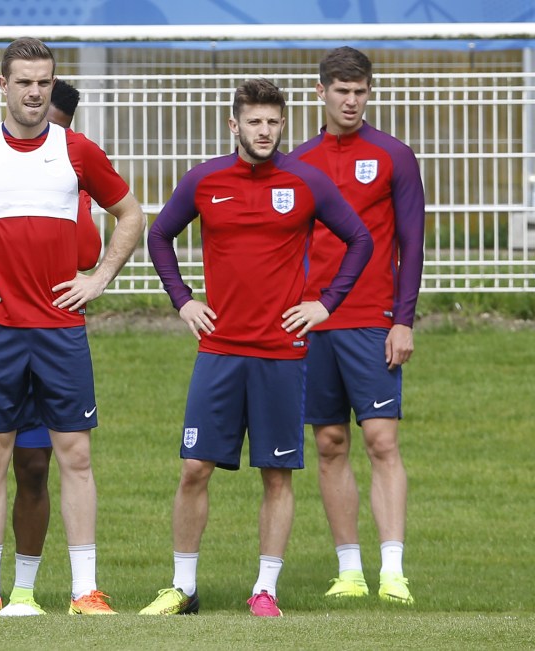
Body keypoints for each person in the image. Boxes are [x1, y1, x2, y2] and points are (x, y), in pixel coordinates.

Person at [0, 37, 145, 616]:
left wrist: (98, 279)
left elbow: (132, 214)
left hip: (61, 331)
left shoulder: (78, 150)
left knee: (75, 457)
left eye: (43, 81)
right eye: (24, 82)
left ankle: (84, 590)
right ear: (3, 86)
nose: (35, 92)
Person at [140, 78, 373, 617]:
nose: (264, 131)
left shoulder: (307, 180)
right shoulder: (205, 180)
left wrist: (326, 304)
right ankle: (183, 588)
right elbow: (159, 236)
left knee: (276, 473)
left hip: (283, 353)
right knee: (194, 468)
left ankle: (265, 589)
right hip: (219, 350)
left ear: (282, 124)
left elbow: (361, 238)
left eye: (273, 122)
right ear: (234, 125)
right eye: (254, 122)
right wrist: (183, 300)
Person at [291, 46, 425, 604]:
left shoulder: (394, 155)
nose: (351, 101)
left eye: (360, 91)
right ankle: (349, 571)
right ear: (320, 92)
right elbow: (287, 244)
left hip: (374, 320)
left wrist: (404, 319)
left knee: (381, 440)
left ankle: (392, 571)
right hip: (313, 321)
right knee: (329, 441)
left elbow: (412, 242)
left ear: (368, 93)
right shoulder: (296, 161)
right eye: (341, 91)